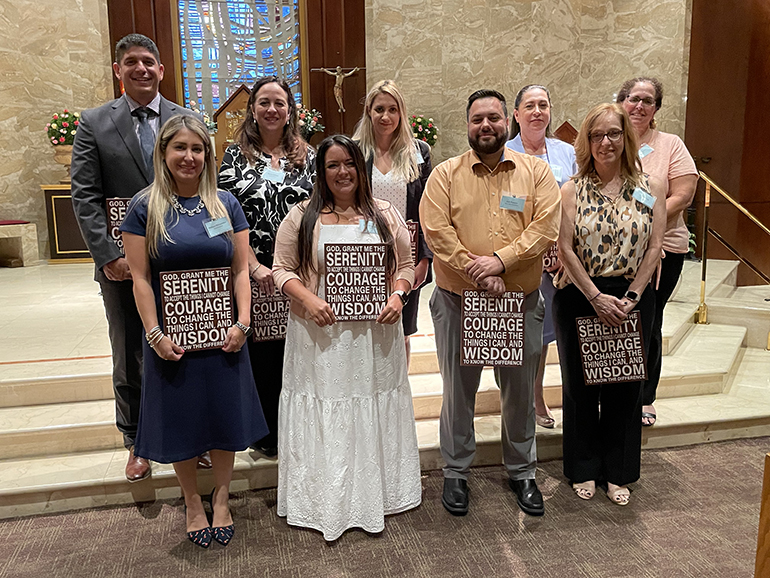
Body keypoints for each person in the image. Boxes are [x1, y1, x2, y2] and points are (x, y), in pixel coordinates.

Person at [120, 115, 268, 547]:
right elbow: (141, 279)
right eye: (180, 148)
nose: (189, 157)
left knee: (224, 417)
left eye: (197, 149)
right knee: (183, 421)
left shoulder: (223, 206)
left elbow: (239, 268)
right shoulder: (145, 208)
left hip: (225, 336)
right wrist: (154, 335)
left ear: (208, 154)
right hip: (173, 342)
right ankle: (192, 502)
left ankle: (221, 496)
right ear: (164, 154)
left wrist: (243, 322)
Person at [70, 33, 208, 482]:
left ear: (162, 70)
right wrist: (109, 255)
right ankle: (136, 441)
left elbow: (207, 190)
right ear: (118, 70)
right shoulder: (94, 122)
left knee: (190, 344)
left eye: (149, 61)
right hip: (123, 264)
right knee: (131, 350)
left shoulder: (186, 119)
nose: (142, 69)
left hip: (184, 259)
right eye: (132, 62)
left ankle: (193, 437)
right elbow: (85, 196)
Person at [272, 135, 421, 541]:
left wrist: (398, 294)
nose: (343, 172)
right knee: (328, 406)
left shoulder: (385, 214)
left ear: (361, 168)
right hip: (321, 334)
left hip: (374, 337)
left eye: (350, 163)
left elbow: (406, 265)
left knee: (370, 404)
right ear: (321, 171)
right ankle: (326, 499)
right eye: (333, 165)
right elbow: (281, 270)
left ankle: (377, 494)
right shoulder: (301, 216)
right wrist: (308, 299)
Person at [420, 89, 561, 517]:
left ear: (508, 122)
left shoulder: (536, 173)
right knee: (458, 392)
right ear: (467, 125)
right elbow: (436, 231)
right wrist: (478, 271)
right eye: (477, 119)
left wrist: (501, 262)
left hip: (518, 303)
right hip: (458, 301)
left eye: (494, 118)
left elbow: (546, 226)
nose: (486, 126)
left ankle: (522, 472)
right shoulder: (444, 175)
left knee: (519, 392)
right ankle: (456, 472)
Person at [552, 103, 665, 506]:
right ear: (586, 141)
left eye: (614, 134)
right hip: (581, 295)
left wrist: (632, 297)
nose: (605, 142)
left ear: (626, 138)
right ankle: (583, 467)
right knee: (581, 387)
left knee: (626, 387)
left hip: (633, 296)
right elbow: (565, 248)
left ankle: (618, 472)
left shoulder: (648, 187)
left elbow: (655, 245)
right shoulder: (572, 189)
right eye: (597, 135)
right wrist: (596, 296)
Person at [218, 76, 316, 457]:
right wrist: (256, 266)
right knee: (260, 353)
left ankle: (298, 426)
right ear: (252, 110)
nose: (272, 109)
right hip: (252, 273)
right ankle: (264, 431)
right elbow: (223, 216)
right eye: (264, 103)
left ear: (290, 110)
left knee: (298, 348)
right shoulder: (232, 155)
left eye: (279, 102)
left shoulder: (309, 155)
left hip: (299, 272)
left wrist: (293, 270)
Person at [616, 77, 698, 427]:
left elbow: (683, 194)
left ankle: (645, 396)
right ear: (621, 102)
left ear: (656, 109)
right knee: (616, 322)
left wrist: (646, 213)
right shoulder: (608, 139)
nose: (640, 106)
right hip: (612, 252)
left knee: (648, 322)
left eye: (648, 101)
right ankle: (616, 391)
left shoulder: (670, 144)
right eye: (634, 99)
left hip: (663, 249)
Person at [506, 84, 577, 429]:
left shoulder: (566, 152)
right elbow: (504, 205)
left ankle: (537, 395)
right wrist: (534, 245)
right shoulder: (503, 152)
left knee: (544, 332)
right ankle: (517, 398)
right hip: (518, 256)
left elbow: (577, 202)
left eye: (543, 105)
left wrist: (563, 248)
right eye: (529, 106)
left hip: (560, 260)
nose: (537, 112)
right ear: (516, 115)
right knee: (518, 332)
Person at [352, 79, 433, 365]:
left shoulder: (418, 151)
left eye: (392, 109)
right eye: (379, 109)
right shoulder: (355, 151)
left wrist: (425, 257)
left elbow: (427, 209)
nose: (386, 117)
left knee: (403, 327)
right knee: (367, 322)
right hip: (364, 248)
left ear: (401, 113)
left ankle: (400, 392)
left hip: (406, 254)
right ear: (369, 113)